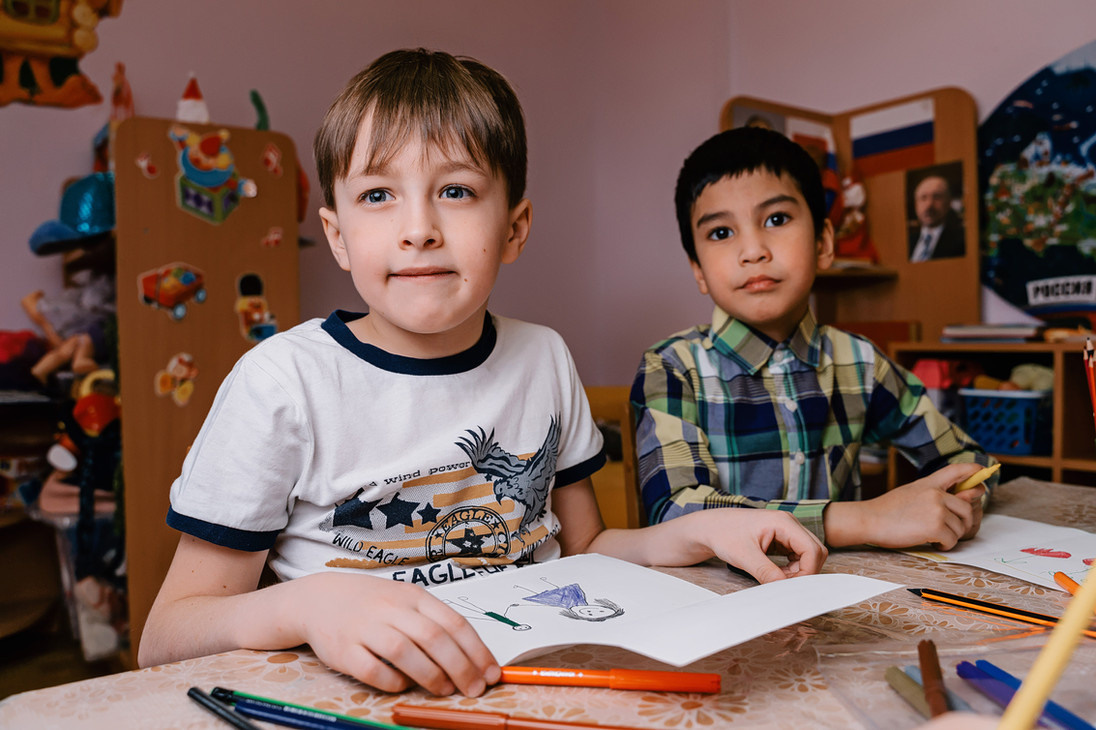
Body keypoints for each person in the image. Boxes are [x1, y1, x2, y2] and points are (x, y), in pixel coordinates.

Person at [139, 50, 827, 699]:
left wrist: (708, 529)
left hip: (537, 691)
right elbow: (166, 637)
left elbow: (587, 550)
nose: (419, 229)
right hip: (361, 704)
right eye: (378, 195)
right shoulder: (282, 382)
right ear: (339, 234)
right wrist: (308, 604)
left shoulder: (544, 358)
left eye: (457, 190)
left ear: (516, 227)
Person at [631, 126, 997, 552]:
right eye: (721, 232)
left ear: (824, 242)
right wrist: (868, 518)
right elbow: (677, 512)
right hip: (720, 605)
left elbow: (968, 460)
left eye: (777, 219)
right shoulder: (673, 367)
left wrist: (961, 499)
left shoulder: (859, 362)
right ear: (698, 269)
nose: (753, 250)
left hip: (841, 595)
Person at [908, 174, 965, 262]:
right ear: (916, 205)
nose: (929, 205)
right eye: (923, 198)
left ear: (948, 202)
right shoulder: (908, 242)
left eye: (936, 197)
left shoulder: (962, 242)